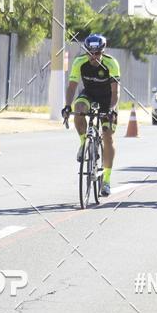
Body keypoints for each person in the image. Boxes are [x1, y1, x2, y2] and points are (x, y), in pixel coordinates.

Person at [62, 34, 120, 197]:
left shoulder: (111, 63)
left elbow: (116, 92)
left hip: (108, 99)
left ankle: (106, 180)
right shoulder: (79, 62)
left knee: (108, 137)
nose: (93, 57)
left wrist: (111, 109)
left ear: (102, 51)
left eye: (97, 53)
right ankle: (83, 143)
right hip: (89, 94)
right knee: (78, 108)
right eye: (90, 53)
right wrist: (67, 106)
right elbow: (72, 87)